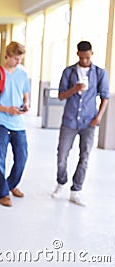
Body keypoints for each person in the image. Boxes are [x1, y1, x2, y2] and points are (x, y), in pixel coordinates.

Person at [51, 41, 109, 206]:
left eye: (87, 57)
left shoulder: (99, 73)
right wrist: (74, 89)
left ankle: (76, 190)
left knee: (84, 157)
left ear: (92, 53)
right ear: (77, 54)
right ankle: (61, 182)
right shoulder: (69, 72)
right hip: (69, 120)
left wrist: (99, 117)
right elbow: (61, 96)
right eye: (82, 57)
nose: (84, 60)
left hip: (88, 122)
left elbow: (105, 96)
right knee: (62, 155)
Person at [0, 42, 30, 207]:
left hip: (19, 123)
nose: (18, 62)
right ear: (7, 56)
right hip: (1, 122)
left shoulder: (22, 75)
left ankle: (11, 184)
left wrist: (26, 104)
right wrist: (6, 109)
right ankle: (3, 193)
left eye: (20, 59)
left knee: (22, 158)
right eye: (15, 58)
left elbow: (25, 95)